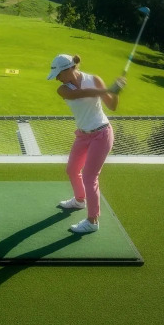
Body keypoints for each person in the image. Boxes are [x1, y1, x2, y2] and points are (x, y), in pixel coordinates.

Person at [47, 53, 125, 233]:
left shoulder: (94, 80)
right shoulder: (63, 89)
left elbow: (112, 106)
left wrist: (116, 92)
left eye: (58, 74)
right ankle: (79, 200)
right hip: (83, 135)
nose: (57, 78)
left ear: (68, 69)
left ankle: (92, 221)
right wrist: (108, 89)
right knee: (72, 169)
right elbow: (80, 94)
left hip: (102, 134)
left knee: (90, 177)